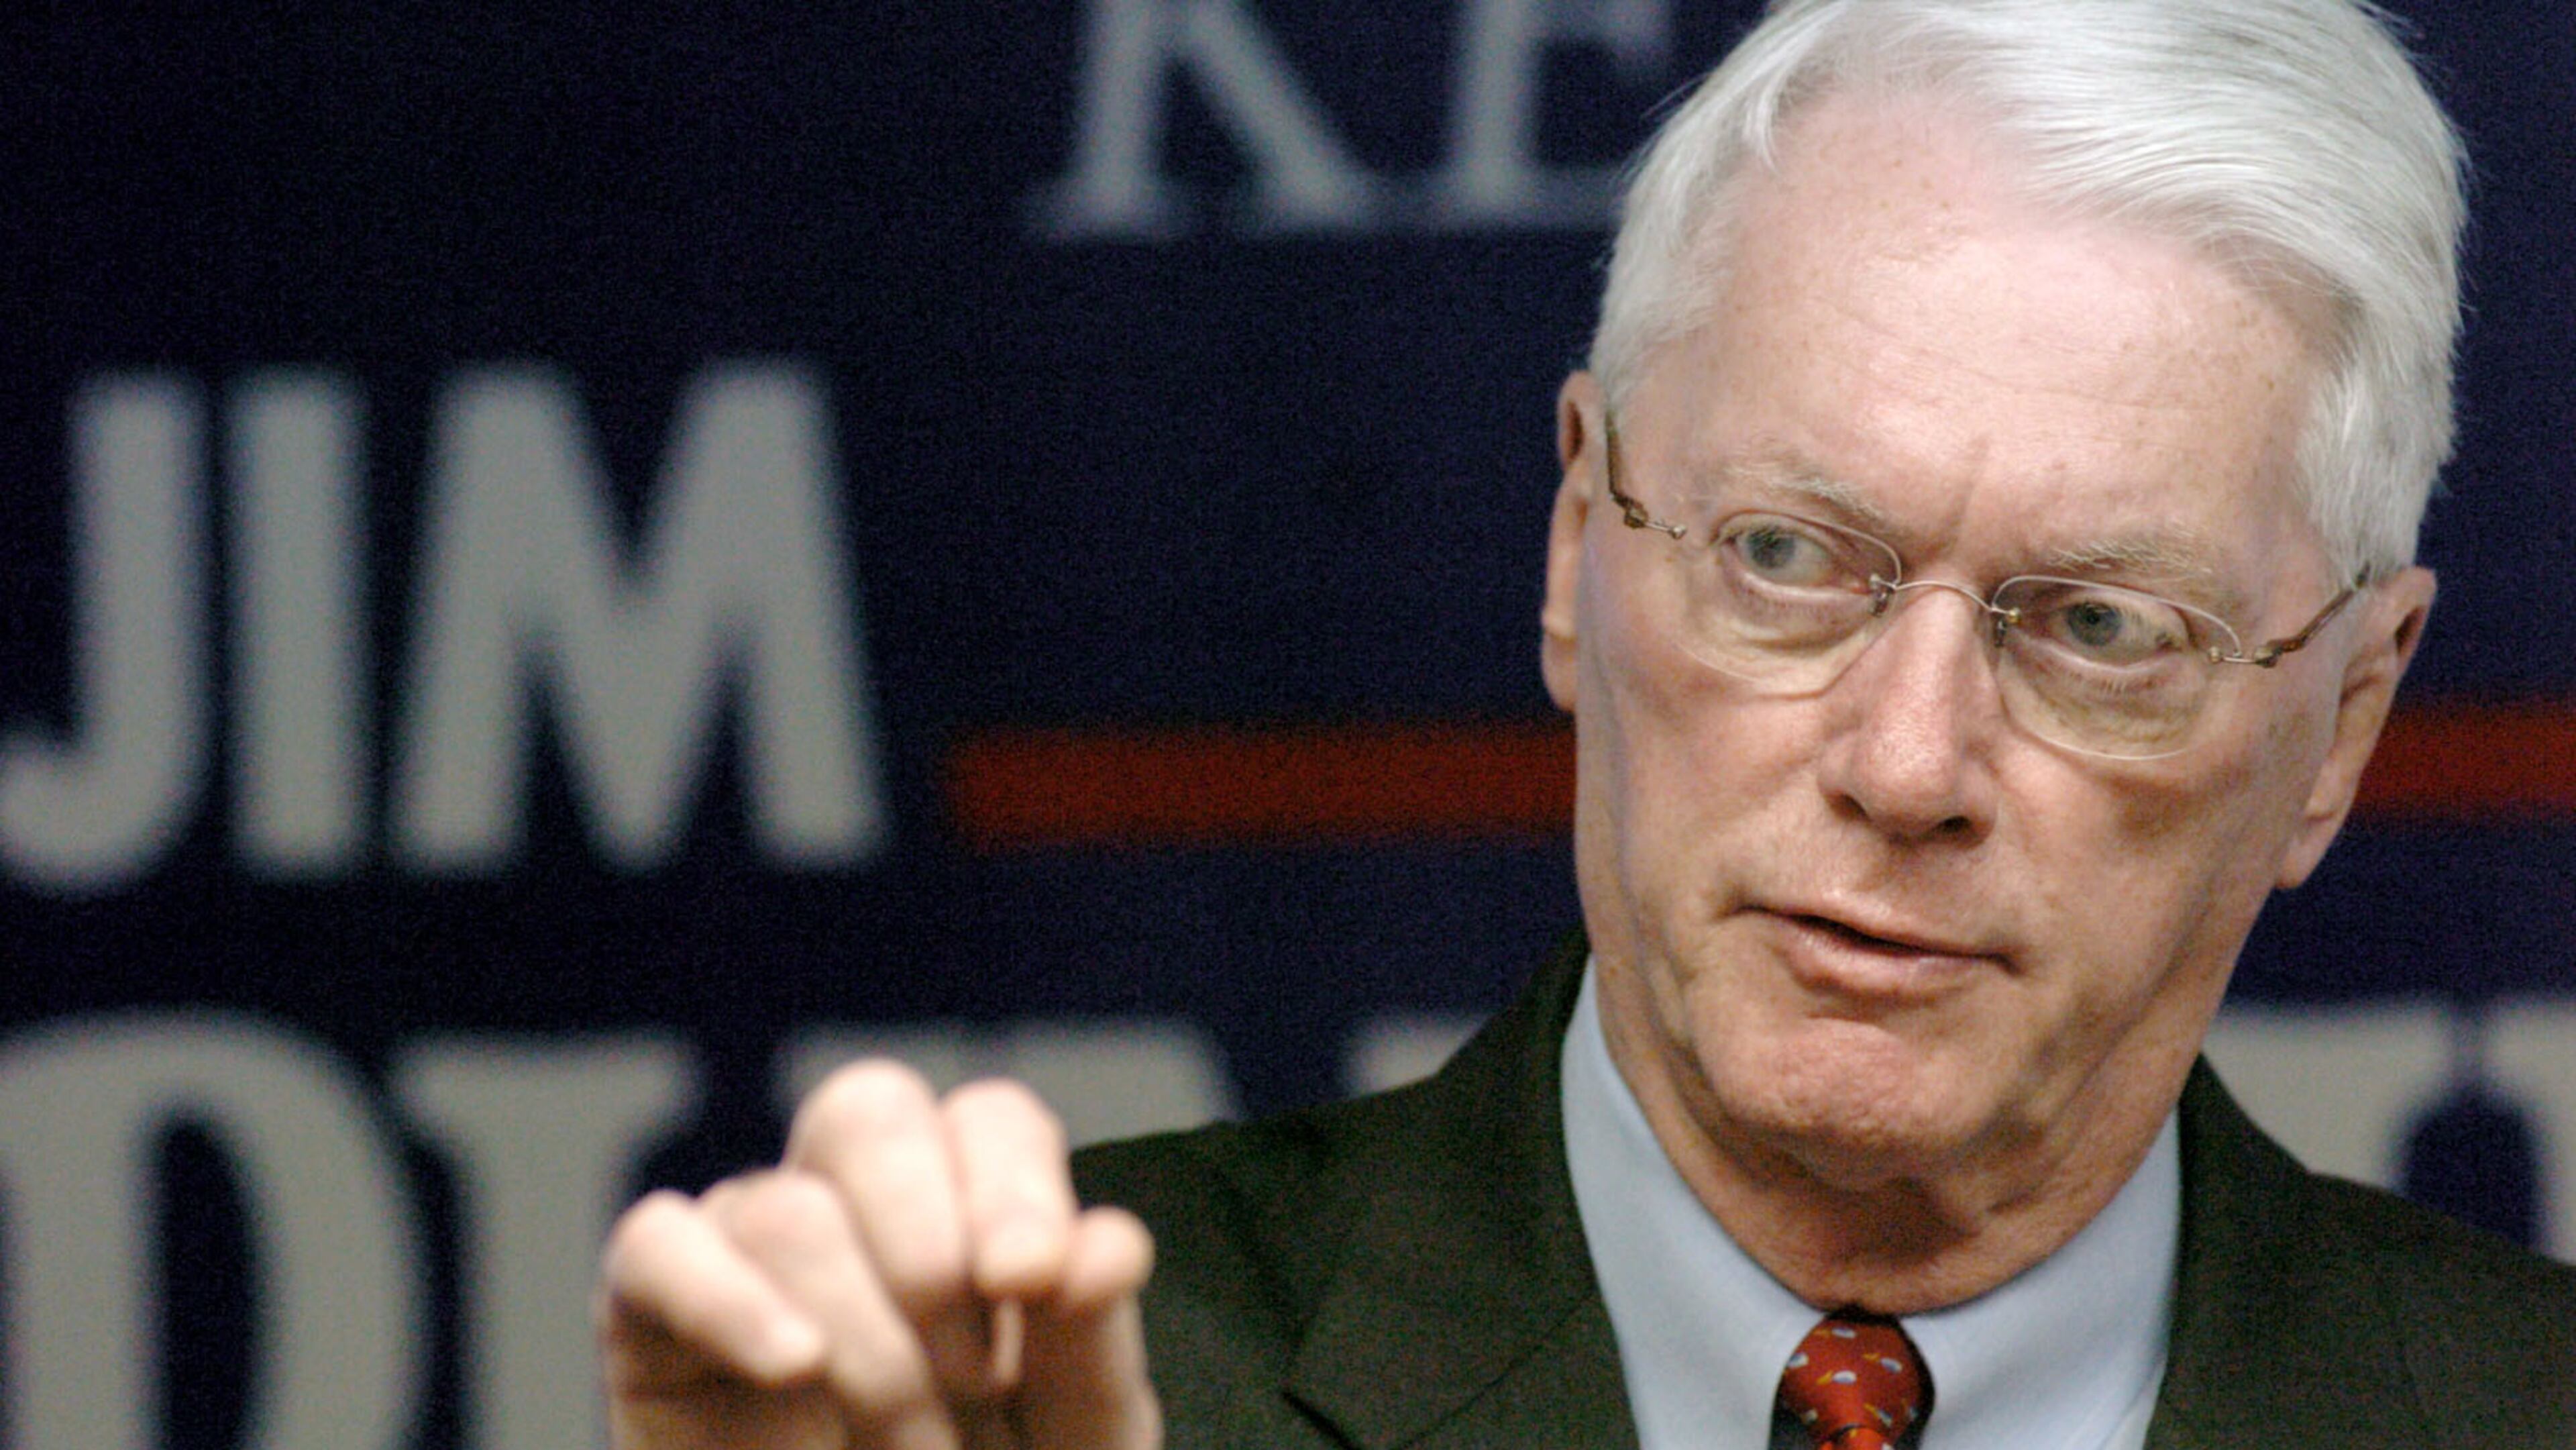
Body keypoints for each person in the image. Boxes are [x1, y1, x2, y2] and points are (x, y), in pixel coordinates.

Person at [594, 0, 2576, 1445]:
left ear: (2343, 723)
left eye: (2102, 627)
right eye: (1785, 555)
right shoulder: (1043, 1398)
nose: (1906, 764)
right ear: (1574, 547)